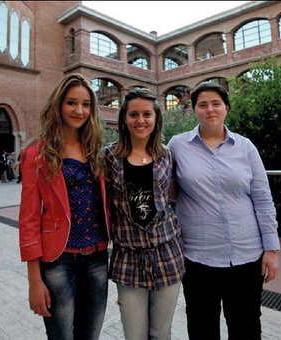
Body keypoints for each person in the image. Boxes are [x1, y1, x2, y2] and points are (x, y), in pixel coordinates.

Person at [167, 82, 280, 340]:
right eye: (202, 105)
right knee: (201, 327)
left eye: (216, 103)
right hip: (197, 258)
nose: (210, 110)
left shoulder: (245, 146)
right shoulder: (177, 145)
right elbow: (167, 193)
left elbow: (262, 198)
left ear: (226, 108)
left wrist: (271, 249)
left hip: (246, 256)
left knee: (247, 327)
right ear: (194, 110)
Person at [18, 74, 111, 340]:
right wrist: (34, 282)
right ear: (58, 104)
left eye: (86, 104)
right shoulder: (37, 154)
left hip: (97, 257)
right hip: (59, 261)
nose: (79, 110)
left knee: (90, 335)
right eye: (71, 102)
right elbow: (28, 220)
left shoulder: (96, 150)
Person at [104, 88, 185, 340]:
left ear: (156, 118)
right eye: (134, 114)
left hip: (167, 255)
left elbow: (173, 197)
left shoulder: (167, 156)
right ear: (124, 119)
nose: (141, 120)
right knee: (134, 334)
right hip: (128, 258)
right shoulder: (108, 157)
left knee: (161, 333)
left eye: (147, 114)